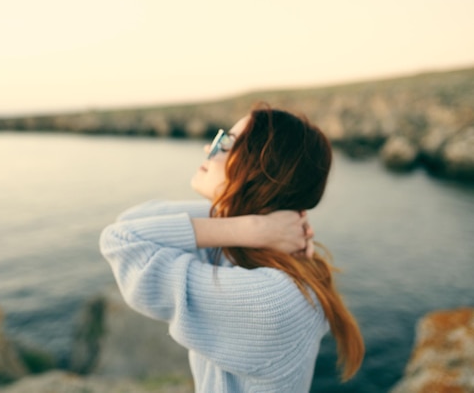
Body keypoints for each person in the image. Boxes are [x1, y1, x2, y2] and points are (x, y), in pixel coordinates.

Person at [99, 103, 364, 393]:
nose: (208, 148)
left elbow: (121, 241)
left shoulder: (274, 299)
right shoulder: (238, 251)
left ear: (258, 170)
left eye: (226, 143)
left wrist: (245, 226)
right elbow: (129, 222)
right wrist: (248, 225)